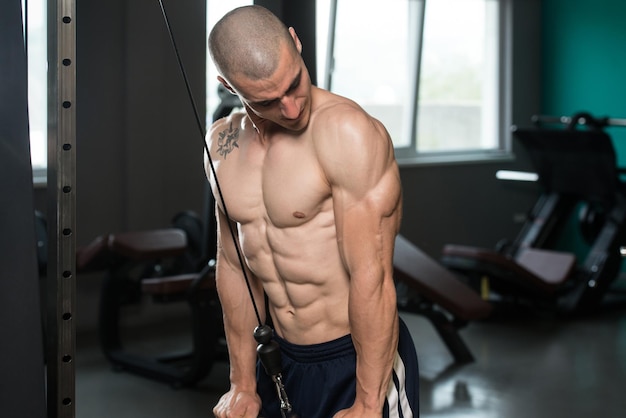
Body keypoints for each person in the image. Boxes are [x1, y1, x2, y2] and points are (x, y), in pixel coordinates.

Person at [206, 5, 419, 418]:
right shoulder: (221, 145)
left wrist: (370, 403)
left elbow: (372, 277)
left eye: (294, 84)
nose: (290, 108)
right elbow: (234, 266)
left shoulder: (347, 133)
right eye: (267, 101)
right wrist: (242, 383)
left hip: (356, 358)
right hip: (279, 356)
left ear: (295, 41)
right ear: (227, 86)